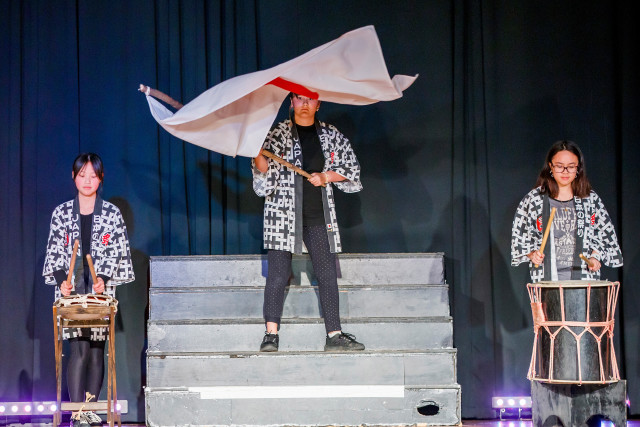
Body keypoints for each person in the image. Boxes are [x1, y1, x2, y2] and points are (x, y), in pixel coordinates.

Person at [252, 92, 365, 352]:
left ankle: (334, 335)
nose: (304, 104)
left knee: (327, 274)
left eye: (310, 99)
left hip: (317, 215)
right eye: (299, 98)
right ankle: (271, 335)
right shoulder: (277, 133)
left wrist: (325, 177)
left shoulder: (330, 134)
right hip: (282, 213)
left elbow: (351, 169)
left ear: (318, 104)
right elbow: (263, 169)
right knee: (278, 275)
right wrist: (256, 152)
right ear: (291, 102)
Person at [43, 153, 134, 427]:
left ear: (101, 178)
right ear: (74, 177)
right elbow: (54, 251)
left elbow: (117, 250)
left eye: (93, 176)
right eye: (82, 175)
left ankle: (91, 410)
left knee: (96, 349)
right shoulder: (61, 213)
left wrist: (102, 278)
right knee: (79, 350)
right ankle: (77, 413)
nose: (87, 181)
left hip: (98, 292)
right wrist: (62, 280)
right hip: (71, 294)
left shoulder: (111, 214)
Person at [511, 140, 622, 282]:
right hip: (547, 279)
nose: (565, 172)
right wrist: (532, 254)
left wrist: (595, 257)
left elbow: (603, 234)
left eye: (571, 167)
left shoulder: (590, 199)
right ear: (550, 166)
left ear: (578, 168)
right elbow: (521, 236)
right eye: (559, 166)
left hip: (584, 279)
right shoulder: (534, 199)